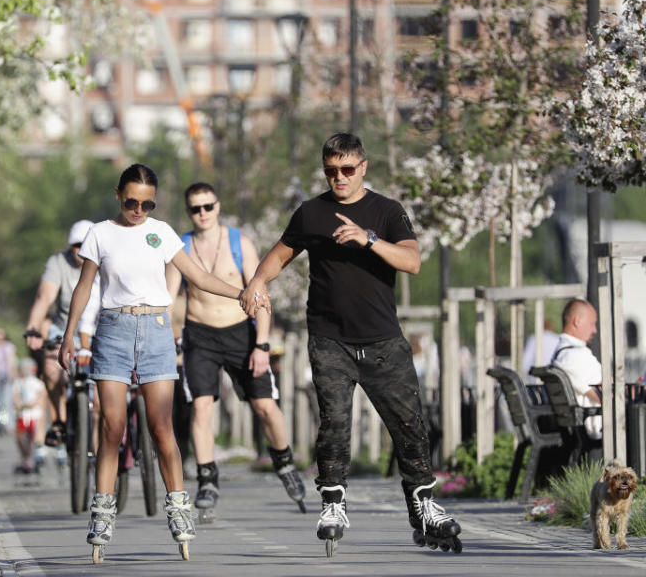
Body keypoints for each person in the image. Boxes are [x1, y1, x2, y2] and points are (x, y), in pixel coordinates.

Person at [241, 133, 463, 555]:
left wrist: (370, 239)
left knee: (409, 425)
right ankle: (333, 503)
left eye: (346, 170)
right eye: (331, 171)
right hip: (330, 340)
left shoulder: (387, 211)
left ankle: (424, 502)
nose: (339, 178)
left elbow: (413, 261)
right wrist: (255, 282)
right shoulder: (311, 213)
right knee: (334, 424)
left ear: (363, 167)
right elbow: (279, 255)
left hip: (383, 341)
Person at [60, 164, 257, 562]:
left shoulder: (162, 233)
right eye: (131, 201)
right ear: (118, 195)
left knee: (161, 428)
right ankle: (102, 512)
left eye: (147, 203)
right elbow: (85, 287)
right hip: (113, 331)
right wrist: (68, 335)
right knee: (112, 427)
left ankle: (180, 510)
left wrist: (242, 293)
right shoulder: (100, 233)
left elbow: (197, 276)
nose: (138, 209)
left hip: (155, 332)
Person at [166, 182, 305, 521]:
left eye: (208, 206)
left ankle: (284, 461)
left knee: (265, 407)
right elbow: (167, 300)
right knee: (201, 408)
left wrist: (261, 344)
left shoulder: (238, 242)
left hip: (241, 333)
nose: (202, 214)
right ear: (189, 212)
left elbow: (259, 295)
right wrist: (166, 334)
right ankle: (207, 478)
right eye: (195, 209)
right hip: (199, 334)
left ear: (218, 206)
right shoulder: (178, 246)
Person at [24, 220, 101, 447]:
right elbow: (44, 298)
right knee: (50, 367)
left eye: (86, 245)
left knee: (103, 394)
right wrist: (33, 328)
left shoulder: (104, 262)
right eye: (77, 246)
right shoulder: (58, 263)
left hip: (100, 328)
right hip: (65, 327)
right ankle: (59, 420)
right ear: (70, 247)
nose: (81, 251)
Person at [551, 298, 603, 439]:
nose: (595, 330)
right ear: (577, 321)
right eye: (592, 324)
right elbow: (605, 395)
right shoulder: (576, 355)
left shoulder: (561, 352)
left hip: (576, 427)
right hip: (595, 430)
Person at [13, 357, 48, 474]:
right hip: (23, 414)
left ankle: (37, 457)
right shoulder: (18, 383)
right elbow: (15, 396)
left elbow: (42, 395)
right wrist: (19, 404)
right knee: (21, 437)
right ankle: (26, 458)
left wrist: (35, 404)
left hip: (34, 415)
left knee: (34, 437)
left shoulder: (36, 382)